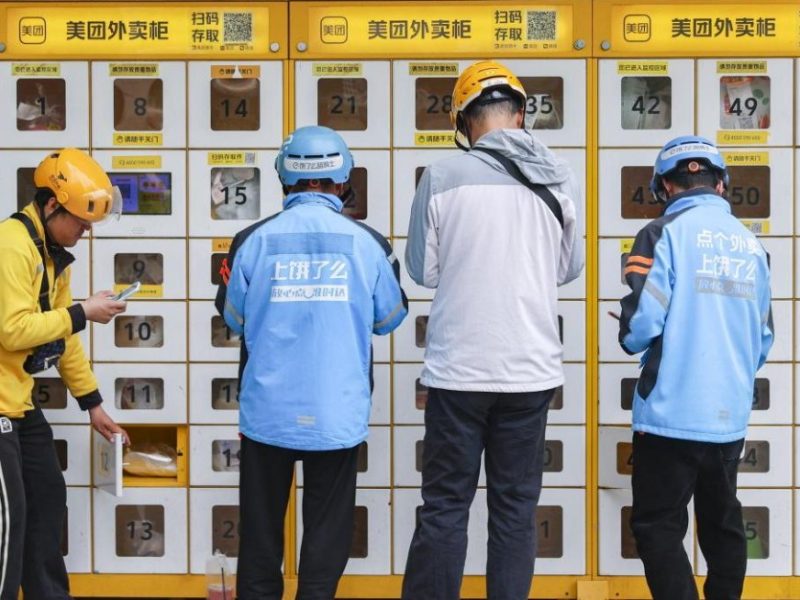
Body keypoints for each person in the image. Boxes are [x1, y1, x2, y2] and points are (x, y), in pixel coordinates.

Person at [402, 60, 584, 600]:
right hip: (530, 371)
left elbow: (422, 270)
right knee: (514, 508)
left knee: (444, 506)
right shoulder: (559, 175)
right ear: (522, 114)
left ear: (463, 122)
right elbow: (567, 268)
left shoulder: (440, 176)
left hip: (458, 371)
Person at [215, 125, 407, 600]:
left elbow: (233, 317)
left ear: (284, 176)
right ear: (343, 178)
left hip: (267, 414)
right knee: (327, 535)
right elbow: (389, 318)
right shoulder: (369, 243)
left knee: (260, 538)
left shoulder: (251, 240)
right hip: (336, 413)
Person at [618, 136, 773, 600]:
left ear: (665, 186)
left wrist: (628, 334)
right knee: (723, 523)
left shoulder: (660, 233)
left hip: (669, 413)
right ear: (721, 184)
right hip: (727, 416)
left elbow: (642, 324)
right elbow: (763, 337)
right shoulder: (751, 244)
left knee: (658, 525)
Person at [0, 148, 131, 600]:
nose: (86, 231)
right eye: (80, 220)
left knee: (48, 499)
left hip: (17, 400)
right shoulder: (11, 246)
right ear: (52, 205)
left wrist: (93, 404)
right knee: (10, 519)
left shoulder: (51, 254)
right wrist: (81, 312)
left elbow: (64, 336)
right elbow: (12, 330)